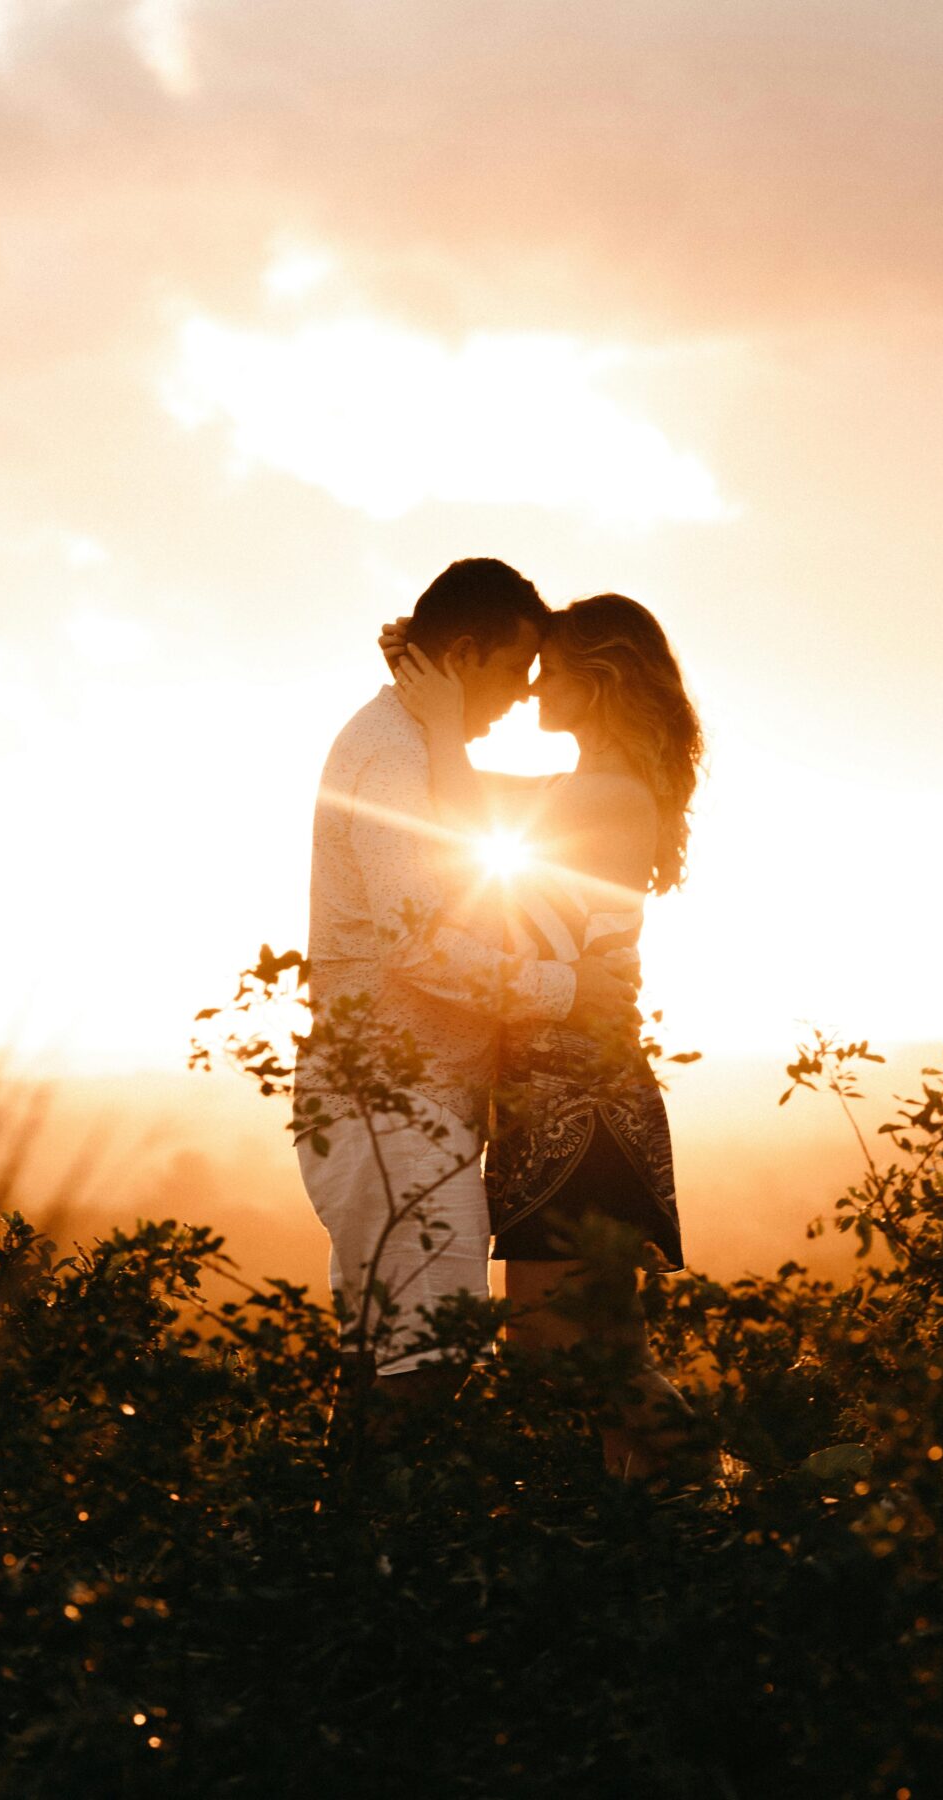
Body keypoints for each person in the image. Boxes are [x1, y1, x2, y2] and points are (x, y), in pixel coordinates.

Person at [295, 560, 639, 1421]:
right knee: (428, 1355)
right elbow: (419, 946)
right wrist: (567, 988)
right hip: (385, 1098)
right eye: (517, 669)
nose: (524, 696)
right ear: (467, 653)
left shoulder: (414, 746)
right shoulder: (389, 755)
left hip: (413, 1101)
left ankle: (343, 1548)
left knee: (394, 1350)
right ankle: (379, 1550)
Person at [382, 594, 703, 1478]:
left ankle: (715, 1476)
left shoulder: (605, 792)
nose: (532, 690)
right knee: (609, 1352)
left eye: (552, 670)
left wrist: (442, 712)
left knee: (560, 1354)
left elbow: (453, 808)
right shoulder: (599, 785)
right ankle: (668, 1527)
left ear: (598, 682)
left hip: (580, 1102)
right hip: (567, 1092)